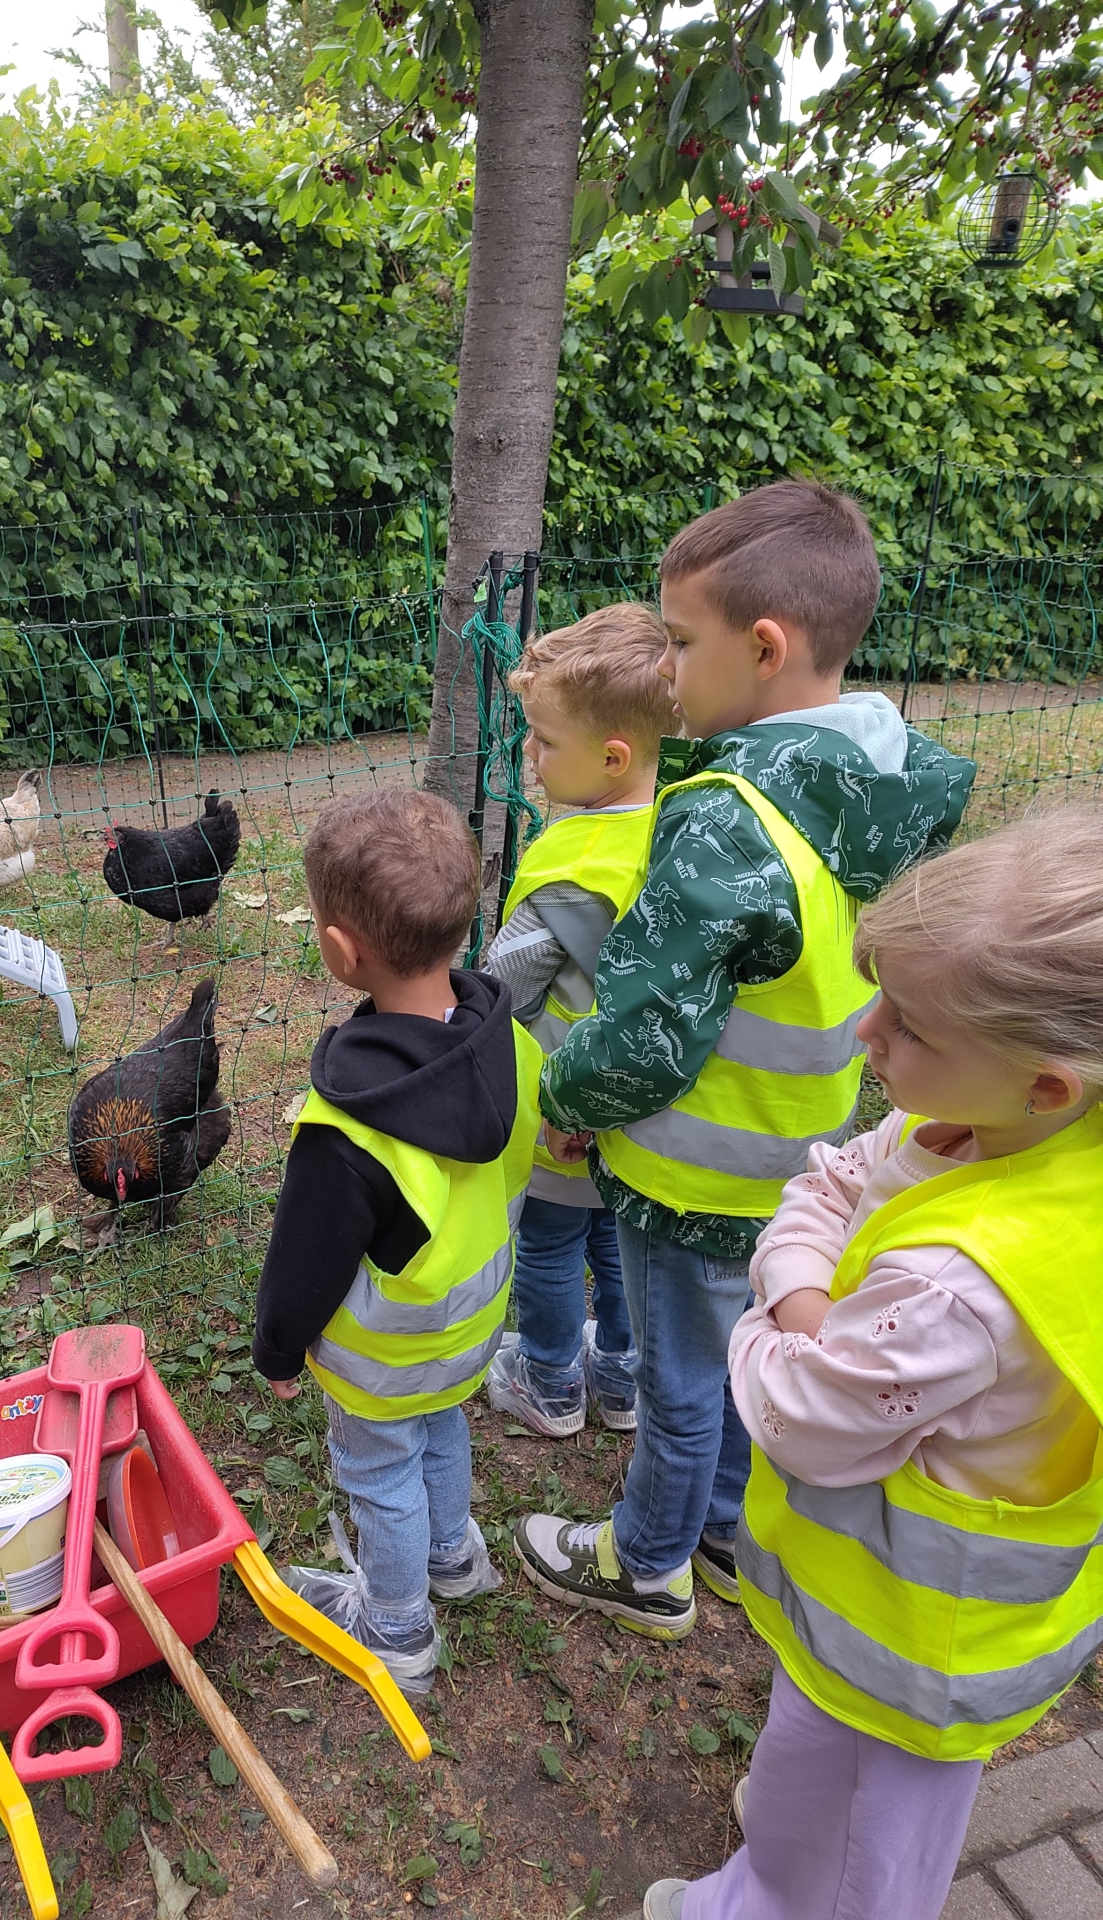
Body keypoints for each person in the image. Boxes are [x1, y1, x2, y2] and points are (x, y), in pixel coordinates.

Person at [512, 480, 975, 1640]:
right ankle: (725, 1531)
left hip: (695, 1168)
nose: (668, 673)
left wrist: (569, 1099)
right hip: (806, 1146)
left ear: (762, 649)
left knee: (682, 1383)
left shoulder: (724, 816)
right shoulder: (885, 779)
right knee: (736, 1353)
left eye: (678, 643)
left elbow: (650, 1025)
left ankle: (646, 1563)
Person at [643, 809, 1103, 1920]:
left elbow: (798, 1414)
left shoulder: (963, 1288)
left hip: (915, 1641)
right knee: (814, 1777)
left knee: (869, 1861)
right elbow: (838, 1180)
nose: (863, 1032)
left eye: (908, 1025)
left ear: (1048, 1083)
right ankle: (766, 1877)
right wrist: (809, 1295)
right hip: (883, 1617)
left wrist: (770, 1310)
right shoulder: (991, 1133)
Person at [251, 787, 543, 1696]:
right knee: (443, 1422)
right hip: (471, 1326)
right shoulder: (512, 1044)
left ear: (341, 950)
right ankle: (453, 1556)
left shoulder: (349, 1128)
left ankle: (397, 1627)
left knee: (380, 1472)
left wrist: (278, 1346)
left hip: (383, 1355)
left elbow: (307, 1260)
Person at [484, 604, 673, 1437]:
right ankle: (622, 1378)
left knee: (553, 1239)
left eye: (544, 740)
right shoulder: (683, 834)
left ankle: (552, 1380)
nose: (531, 753)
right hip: (649, 1105)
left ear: (612, 755)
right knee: (618, 1241)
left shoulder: (569, 861)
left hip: (568, 1094)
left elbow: (506, 984)